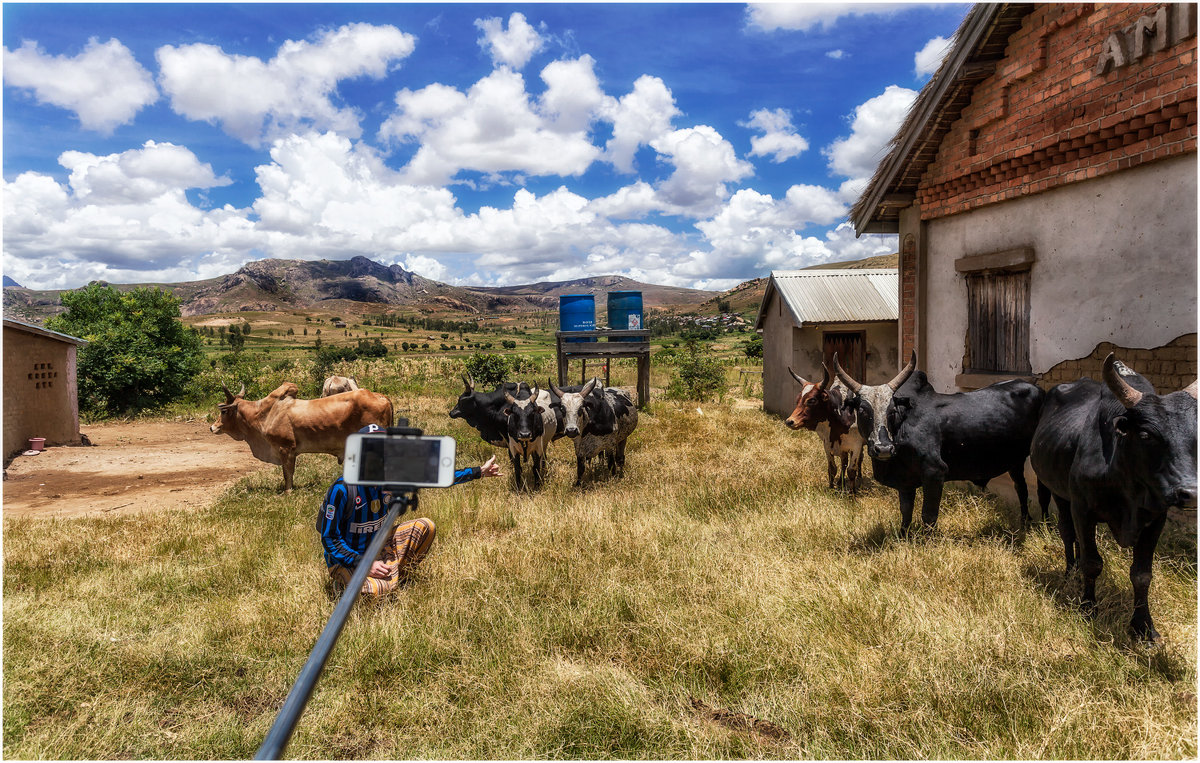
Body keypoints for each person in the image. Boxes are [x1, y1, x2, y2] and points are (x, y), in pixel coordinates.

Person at [318, 424, 501, 597]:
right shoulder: (343, 489)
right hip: (348, 559)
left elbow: (439, 477)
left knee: (424, 527)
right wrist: (363, 563)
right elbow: (329, 538)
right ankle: (341, 584)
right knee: (376, 593)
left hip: (377, 546)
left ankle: (392, 572)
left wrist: (479, 472)